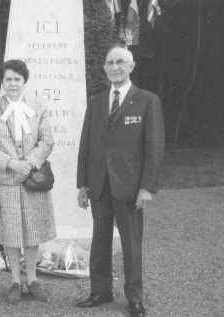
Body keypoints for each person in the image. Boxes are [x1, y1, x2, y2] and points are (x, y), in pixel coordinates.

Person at [76, 46, 165, 317]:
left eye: (120, 63)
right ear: (104, 68)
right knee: (100, 241)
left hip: (129, 185)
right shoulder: (96, 101)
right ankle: (100, 291)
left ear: (131, 66)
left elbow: (154, 147)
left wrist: (147, 187)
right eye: (110, 63)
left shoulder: (148, 100)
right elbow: (86, 145)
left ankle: (135, 299)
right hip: (99, 184)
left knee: (131, 244)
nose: (115, 67)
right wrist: (82, 184)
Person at [0, 59, 56, 304]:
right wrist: (12, 163)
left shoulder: (38, 106)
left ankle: (32, 279)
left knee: (32, 232)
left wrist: (30, 163)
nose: (13, 83)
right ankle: (15, 280)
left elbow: (46, 141)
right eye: (8, 79)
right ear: (2, 81)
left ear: (24, 81)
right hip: (5, 181)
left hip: (33, 179)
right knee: (11, 232)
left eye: (17, 79)